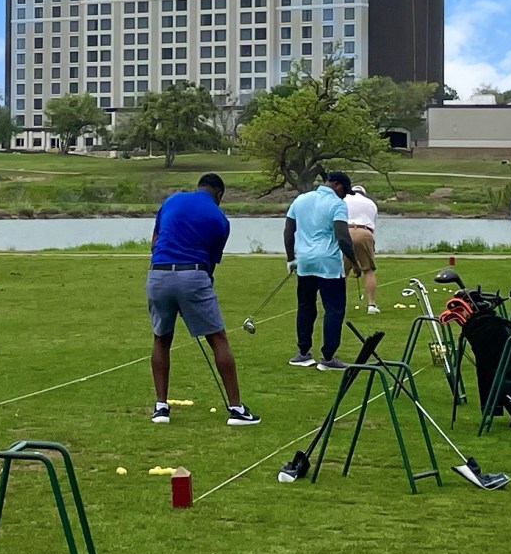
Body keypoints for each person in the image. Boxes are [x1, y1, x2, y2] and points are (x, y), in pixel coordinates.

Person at [146, 173, 260, 426]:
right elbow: (210, 263)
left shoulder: (172, 200)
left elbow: (155, 243)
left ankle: (161, 408)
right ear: (219, 195)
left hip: (158, 273)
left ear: (198, 187)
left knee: (161, 338)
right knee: (217, 338)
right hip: (193, 274)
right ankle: (236, 409)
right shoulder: (220, 219)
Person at [284, 171, 357, 371]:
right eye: (345, 192)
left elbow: (289, 230)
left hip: (305, 262)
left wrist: (291, 258)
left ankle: (303, 354)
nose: (344, 197)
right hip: (328, 264)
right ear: (338, 185)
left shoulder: (301, 199)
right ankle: (328, 357)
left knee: (306, 306)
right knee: (334, 309)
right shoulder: (337, 204)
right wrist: (355, 262)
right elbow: (342, 237)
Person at [343, 184, 379, 314]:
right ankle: (371, 305)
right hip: (364, 232)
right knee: (368, 270)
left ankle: (339, 304)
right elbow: (372, 224)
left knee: (342, 272)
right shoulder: (371, 204)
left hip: (345, 232)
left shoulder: (343, 199)